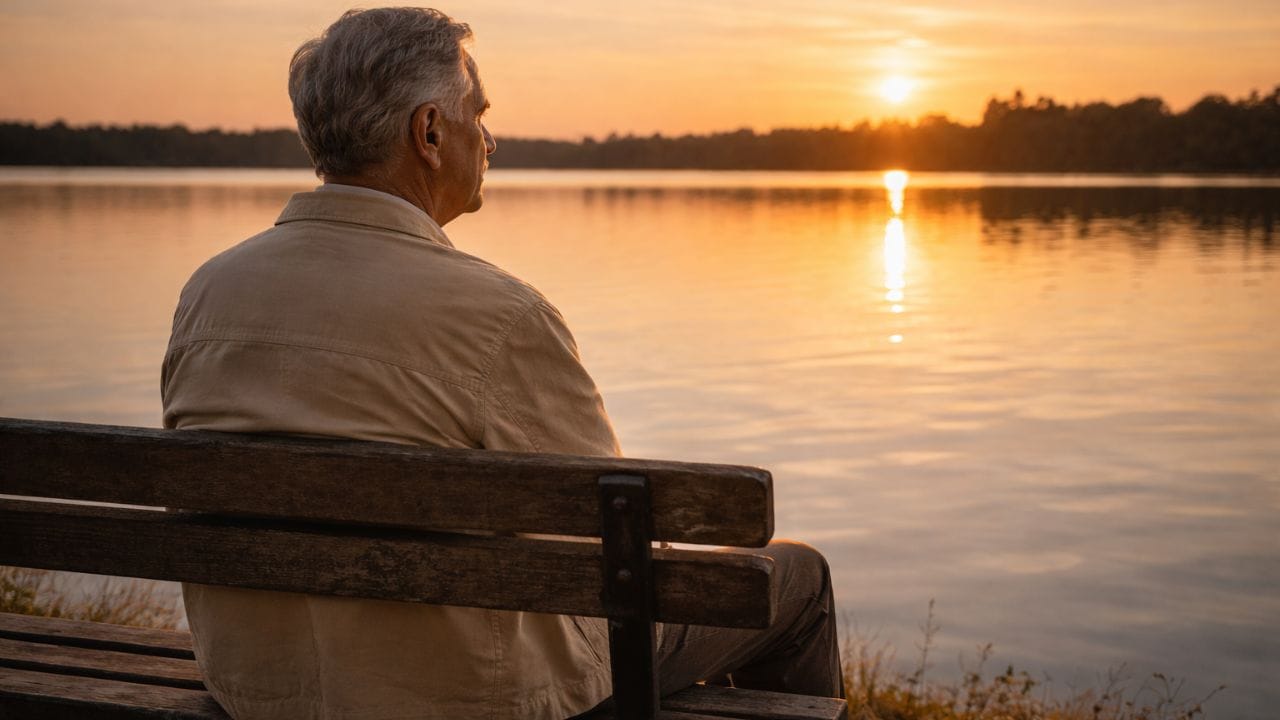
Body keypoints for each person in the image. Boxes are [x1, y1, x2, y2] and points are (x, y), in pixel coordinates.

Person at [161, 7, 843, 719]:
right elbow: (615, 546)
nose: (489, 138)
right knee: (795, 578)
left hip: (255, 686)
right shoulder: (498, 317)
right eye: (477, 115)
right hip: (468, 696)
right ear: (429, 133)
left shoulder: (208, 294)